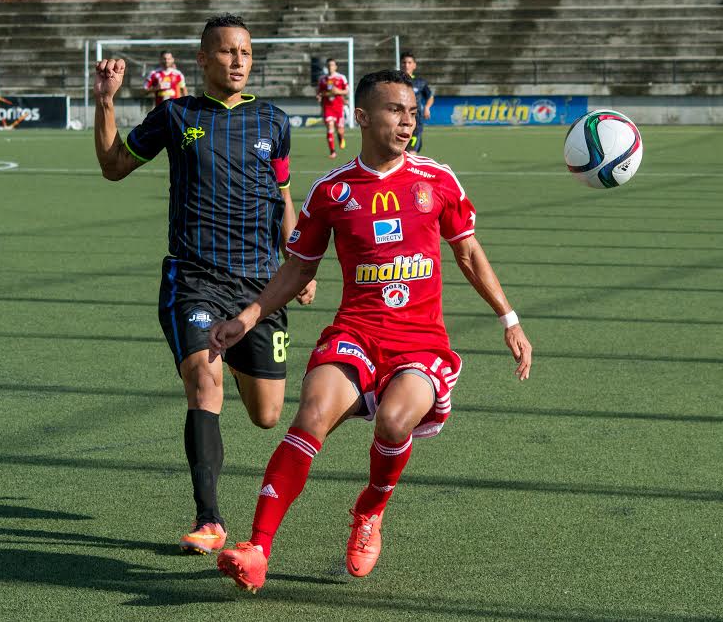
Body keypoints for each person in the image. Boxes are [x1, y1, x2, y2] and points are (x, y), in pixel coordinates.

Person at [210, 69, 531, 593]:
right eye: (394, 110)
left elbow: (468, 253)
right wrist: (248, 316)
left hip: (420, 344)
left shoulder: (438, 181)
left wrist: (509, 318)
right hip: (355, 333)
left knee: (393, 423)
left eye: (411, 111)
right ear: (361, 116)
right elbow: (298, 269)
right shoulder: (332, 191)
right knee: (311, 415)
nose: (407, 121)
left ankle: (369, 510)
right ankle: (257, 548)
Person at [93, 13, 316, 557]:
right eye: (226, 51)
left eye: (244, 52)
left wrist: (298, 261)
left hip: (261, 285)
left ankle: (239, 360)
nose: (238, 60)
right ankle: (209, 518)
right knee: (203, 384)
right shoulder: (175, 114)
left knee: (266, 415)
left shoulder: (273, 120)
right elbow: (114, 165)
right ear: (201, 59)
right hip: (193, 278)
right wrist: (105, 101)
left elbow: (283, 194)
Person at [399, 51, 434, 154]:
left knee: (411, 154)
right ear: (400, 64)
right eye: (404, 62)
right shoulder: (395, 82)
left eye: (409, 62)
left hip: (415, 124)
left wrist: (427, 107)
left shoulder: (420, 82)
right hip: (399, 123)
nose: (406, 65)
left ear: (414, 65)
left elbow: (430, 96)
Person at [316, 58, 349, 159]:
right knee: (330, 127)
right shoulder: (322, 79)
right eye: (329, 65)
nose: (330, 67)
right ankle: (333, 152)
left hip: (339, 108)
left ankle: (341, 137)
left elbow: (347, 91)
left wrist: (337, 91)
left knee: (339, 131)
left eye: (332, 65)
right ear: (327, 67)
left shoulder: (341, 77)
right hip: (327, 107)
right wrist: (319, 96)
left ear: (335, 66)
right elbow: (319, 92)